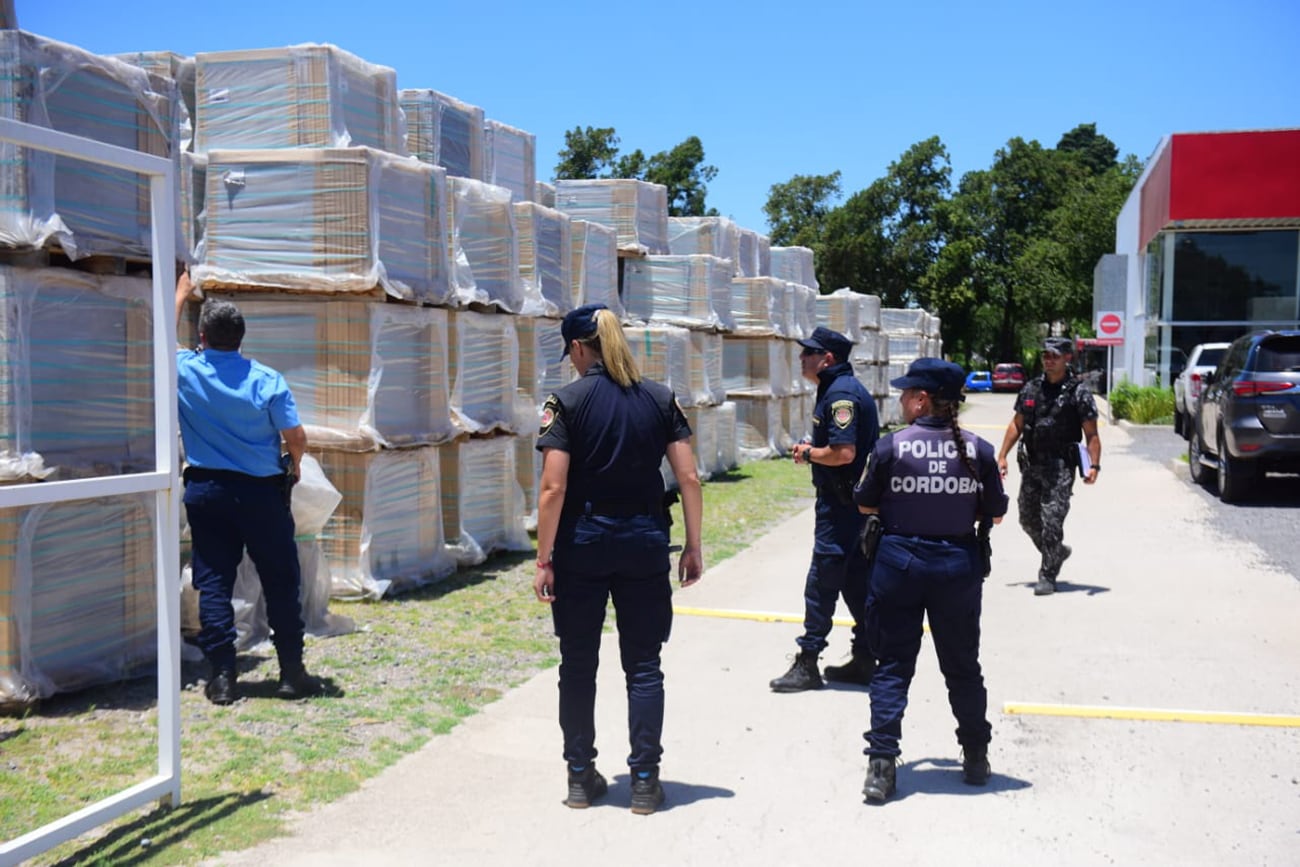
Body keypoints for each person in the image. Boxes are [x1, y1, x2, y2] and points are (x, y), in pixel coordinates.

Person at [533, 303, 704, 816]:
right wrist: (694, 545)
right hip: (645, 540)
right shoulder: (659, 398)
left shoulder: (565, 402)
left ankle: (580, 776)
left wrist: (544, 559)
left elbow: (552, 487)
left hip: (583, 543)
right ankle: (646, 781)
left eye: (570, 353)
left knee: (578, 663)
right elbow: (689, 477)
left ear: (580, 348)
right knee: (644, 665)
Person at [853, 358, 1009, 803]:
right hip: (956, 569)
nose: (901, 400)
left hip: (898, 565)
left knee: (893, 666)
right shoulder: (977, 449)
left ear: (923, 400)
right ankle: (976, 756)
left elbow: (865, 505)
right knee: (962, 667)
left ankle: (881, 766)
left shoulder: (891, 447)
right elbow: (994, 511)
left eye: (906, 393)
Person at [175, 272, 328, 705]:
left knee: (215, 583)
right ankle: (291, 673)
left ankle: (223, 677)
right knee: (281, 581)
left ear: (202, 336)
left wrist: (179, 296)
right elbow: (294, 435)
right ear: (242, 338)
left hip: (207, 490)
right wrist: (295, 465)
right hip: (261, 493)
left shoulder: (186, 369)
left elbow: (161, 343)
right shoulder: (267, 379)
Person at [769, 326, 880, 692]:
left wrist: (808, 453)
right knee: (855, 583)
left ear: (827, 359)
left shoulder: (841, 395)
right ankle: (866, 657)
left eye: (809, 353)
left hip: (842, 509)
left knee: (822, 584)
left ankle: (808, 662)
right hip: (852, 507)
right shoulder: (837, 389)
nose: (802, 358)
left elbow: (843, 453)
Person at [996, 337, 1101, 596]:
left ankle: (1047, 575)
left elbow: (1092, 434)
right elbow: (1017, 424)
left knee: (1051, 521)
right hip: (1032, 464)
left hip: (1061, 467)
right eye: (1045, 355)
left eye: (1054, 355)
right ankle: (1056, 553)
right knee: (1027, 519)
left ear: (1067, 358)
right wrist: (1002, 456)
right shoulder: (1031, 389)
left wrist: (1094, 466)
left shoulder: (1078, 392)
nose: (1048, 360)